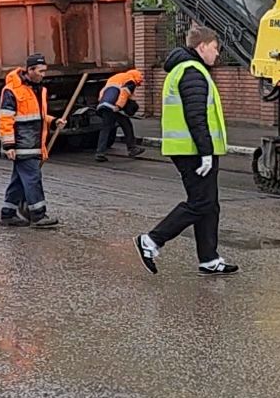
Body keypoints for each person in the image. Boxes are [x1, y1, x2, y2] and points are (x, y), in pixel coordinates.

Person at [136, 25, 236, 275]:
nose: (217, 54)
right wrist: (205, 152)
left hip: (191, 148)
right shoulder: (192, 72)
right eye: (215, 48)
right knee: (201, 202)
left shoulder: (186, 69)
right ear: (202, 46)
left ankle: (209, 259)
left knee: (209, 204)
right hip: (192, 150)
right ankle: (152, 240)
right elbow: (196, 116)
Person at [0, 53, 59, 228]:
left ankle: (8, 214)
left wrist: (53, 121)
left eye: (44, 71)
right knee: (33, 178)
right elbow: (6, 119)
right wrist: (9, 145)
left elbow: (35, 116)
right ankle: (38, 216)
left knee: (18, 181)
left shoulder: (38, 89)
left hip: (32, 144)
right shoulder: (12, 91)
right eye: (40, 71)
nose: (43, 75)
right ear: (29, 70)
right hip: (22, 145)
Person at [93, 67, 146, 162]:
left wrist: (101, 102)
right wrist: (119, 106)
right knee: (127, 125)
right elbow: (124, 93)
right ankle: (132, 149)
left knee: (105, 129)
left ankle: (100, 153)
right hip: (114, 107)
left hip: (104, 105)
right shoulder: (131, 81)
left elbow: (102, 92)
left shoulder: (115, 78)